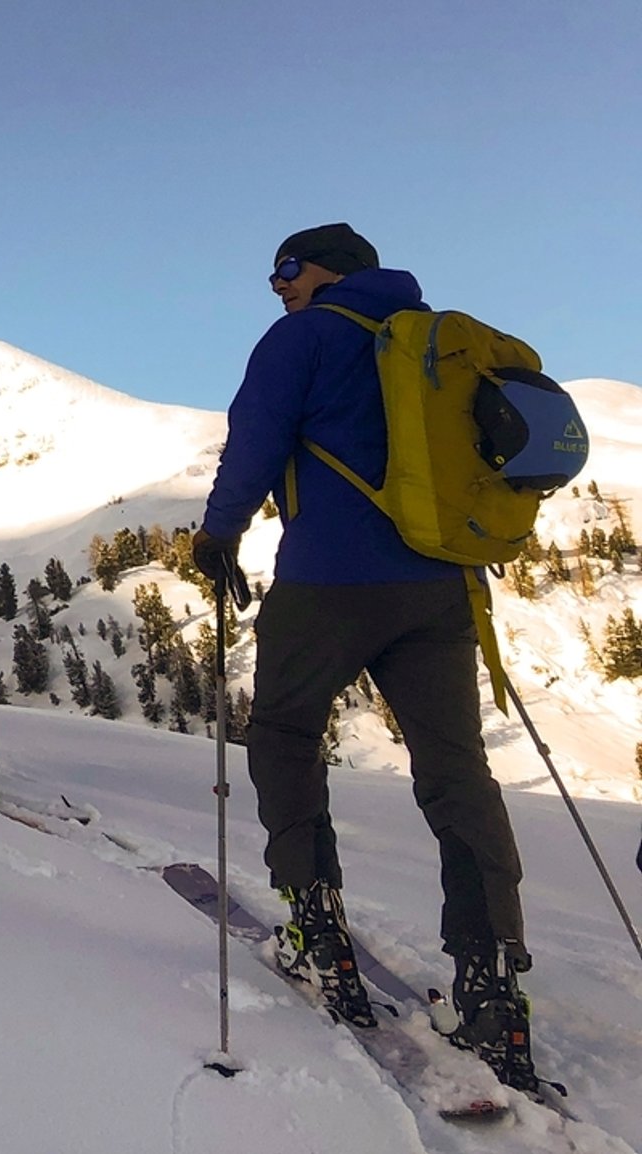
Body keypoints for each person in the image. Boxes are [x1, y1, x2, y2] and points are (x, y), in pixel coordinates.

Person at [192, 224, 542, 1090]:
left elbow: (257, 440)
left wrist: (218, 533)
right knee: (457, 771)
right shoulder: (438, 346)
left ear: (332, 272)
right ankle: (490, 984)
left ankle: (314, 925)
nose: (276, 284)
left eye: (287, 268)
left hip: (330, 581)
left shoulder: (304, 337)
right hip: (441, 588)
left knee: (282, 731)